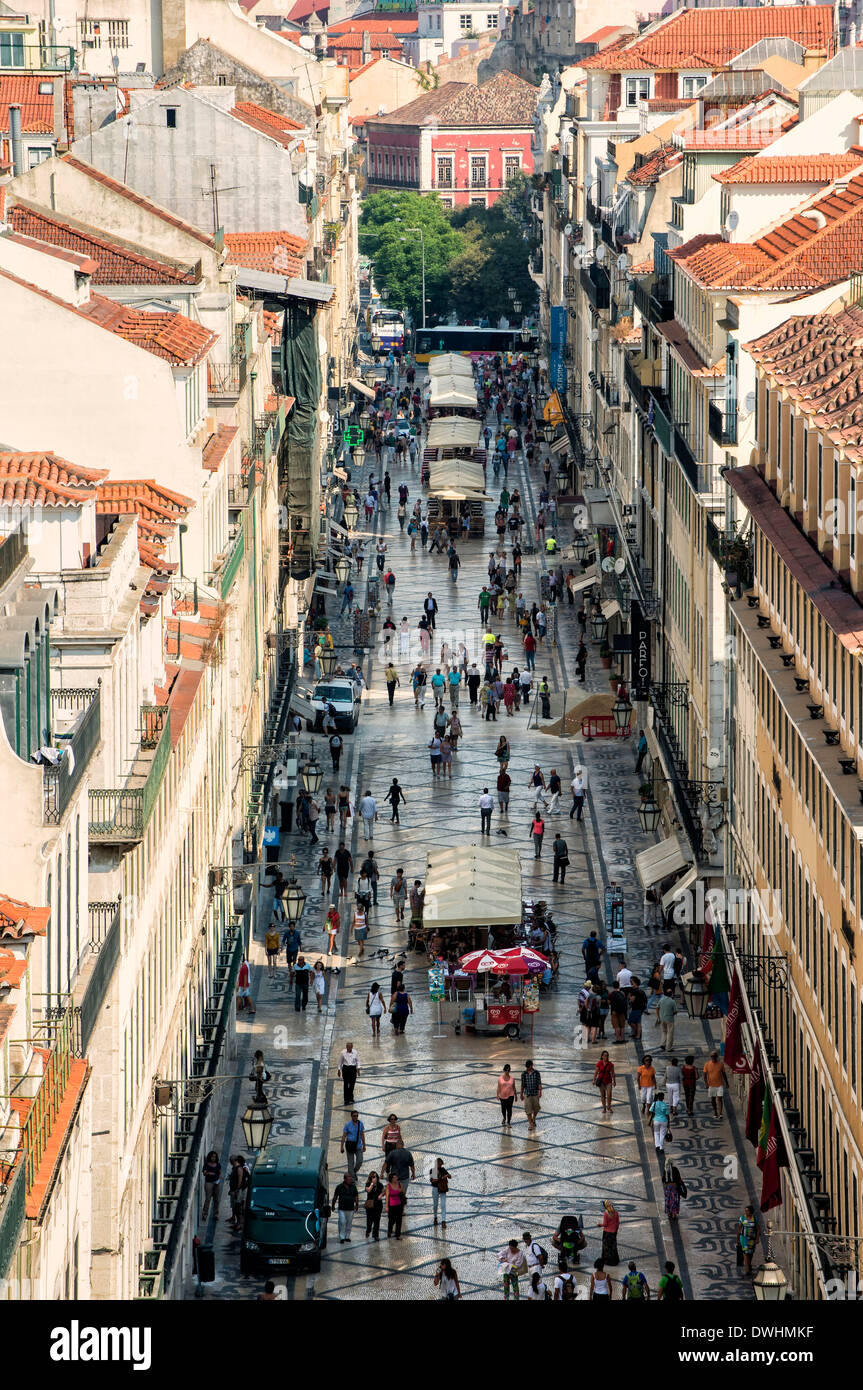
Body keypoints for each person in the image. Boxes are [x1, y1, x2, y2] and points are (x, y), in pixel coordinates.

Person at [332, 1170, 359, 1243]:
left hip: (351, 1208)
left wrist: (356, 1205)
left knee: (349, 1223)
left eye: (350, 1177)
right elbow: (335, 1197)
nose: (350, 1179)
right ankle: (342, 1237)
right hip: (342, 1208)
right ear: (345, 1179)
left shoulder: (353, 1187)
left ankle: (347, 1236)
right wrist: (333, 1205)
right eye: (349, 1178)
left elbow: (356, 1196)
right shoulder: (339, 1187)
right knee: (342, 1222)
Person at [704, 1049, 729, 1118]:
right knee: (713, 1100)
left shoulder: (720, 1064)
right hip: (711, 1085)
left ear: (717, 1057)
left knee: (720, 1099)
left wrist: (727, 1083)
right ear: (710, 1057)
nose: (713, 1057)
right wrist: (706, 1083)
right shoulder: (707, 1064)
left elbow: (724, 1074)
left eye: (714, 1056)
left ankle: (720, 1113)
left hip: (719, 1085)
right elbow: (704, 1075)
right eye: (712, 1056)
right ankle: (715, 1112)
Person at [340, 1111, 365, 1177]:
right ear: (351, 1116)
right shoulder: (348, 1125)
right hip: (350, 1146)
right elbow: (344, 1136)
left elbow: (362, 1135)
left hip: (358, 1146)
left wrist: (364, 1145)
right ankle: (352, 1178)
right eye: (354, 1116)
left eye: (357, 1116)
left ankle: (353, 1172)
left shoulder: (360, 1124)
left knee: (360, 1161)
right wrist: (341, 1147)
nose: (355, 1117)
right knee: (350, 1163)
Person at [520, 1059, 542, 1132]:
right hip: (527, 1094)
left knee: (536, 1108)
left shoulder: (536, 1073)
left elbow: (539, 1083)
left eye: (528, 1067)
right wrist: (521, 1094)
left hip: (535, 1093)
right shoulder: (524, 1074)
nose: (527, 1068)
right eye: (526, 1067)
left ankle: (534, 1118)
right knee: (528, 1109)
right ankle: (530, 1124)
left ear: (532, 1065)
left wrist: (540, 1092)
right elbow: (522, 1085)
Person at [738, 1205, 760, 1276]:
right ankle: (747, 1269)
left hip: (752, 1239)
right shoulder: (742, 1218)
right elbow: (739, 1229)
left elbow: (758, 1229)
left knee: (750, 1253)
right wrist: (737, 1239)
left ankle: (749, 1264)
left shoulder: (755, 1219)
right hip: (744, 1238)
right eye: (745, 1210)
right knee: (745, 1252)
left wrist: (757, 1238)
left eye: (747, 1210)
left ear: (751, 1212)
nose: (746, 1212)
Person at [430, 1158, 451, 1228]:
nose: (440, 1166)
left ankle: (443, 1221)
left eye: (441, 1164)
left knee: (443, 1205)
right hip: (435, 1188)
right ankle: (435, 1217)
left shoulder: (443, 1169)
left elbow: (450, 1176)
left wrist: (447, 1175)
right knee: (435, 1204)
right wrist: (442, 1178)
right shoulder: (432, 1170)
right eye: (439, 1164)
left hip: (442, 1189)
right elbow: (432, 1180)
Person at [664, 1158, 686, 1222]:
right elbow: (678, 1178)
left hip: (668, 1187)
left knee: (668, 1200)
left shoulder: (665, 1170)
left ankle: (669, 1213)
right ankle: (674, 1214)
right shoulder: (675, 1169)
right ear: (672, 1163)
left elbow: (663, 1179)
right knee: (674, 1200)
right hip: (674, 1187)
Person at [594, 1050, 616, 1115]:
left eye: (607, 1056)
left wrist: (614, 1081)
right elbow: (596, 1072)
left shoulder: (610, 1064)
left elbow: (613, 1073)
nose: (606, 1057)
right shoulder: (599, 1063)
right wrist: (594, 1079)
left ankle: (609, 1106)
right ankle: (604, 1108)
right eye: (605, 1055)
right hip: (601, 1081)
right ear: (602, 1056)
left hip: (608, 1081)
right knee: (603, 1095)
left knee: (609, 1095)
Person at [364, 1171, 384, 1241]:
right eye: (372, 1177)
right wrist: (372, 1184)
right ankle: (368, 1230)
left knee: (377, 1221)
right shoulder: (368, 1184)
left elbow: (383, 1191)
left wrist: (381, 1195)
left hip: (378, 1205)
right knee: (369, 1221)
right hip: (370, 1205)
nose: (374, 1178)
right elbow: (368, 1190)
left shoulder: (380, 1185)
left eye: (375, 1176)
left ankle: (375, 1235)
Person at [201, 1150, 221, 1220]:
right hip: (209, 1182)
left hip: (216, 1182)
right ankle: (205, 1214)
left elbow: (219, 1172)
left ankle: (216, 1214)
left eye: (215, 1157)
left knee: (216, 1199)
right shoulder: (206, 1165)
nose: (213, 1158)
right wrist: (209, 1173)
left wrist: (219, 1179)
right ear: (210, 1157)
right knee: (208, 1198)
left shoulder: (218, 1165)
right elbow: (204, 1173)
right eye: (212, 1157)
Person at [599, 1199, 620, 1265]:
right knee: (613, 1247)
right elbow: (617, 1223)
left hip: (607, 1232)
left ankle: (607, 1261)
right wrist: (616, 1230)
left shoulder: (606, 1213)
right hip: (613, 1232)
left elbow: (605, 1224)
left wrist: (600, 1225)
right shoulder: (616, 1212)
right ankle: (614, 1261)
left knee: (606, 1247)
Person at [649, 1090, 670, 1154]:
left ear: (658, 1097)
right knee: (662, 1134)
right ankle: (661, 1147)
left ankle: (657, 1145)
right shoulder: (665, 1105)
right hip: (664, 1121)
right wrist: (669, 1123)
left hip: (656, 1120)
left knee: (656, 1133)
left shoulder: (655, 1103)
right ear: (663, 1098)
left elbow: (650, 1110)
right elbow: (667, 1115)